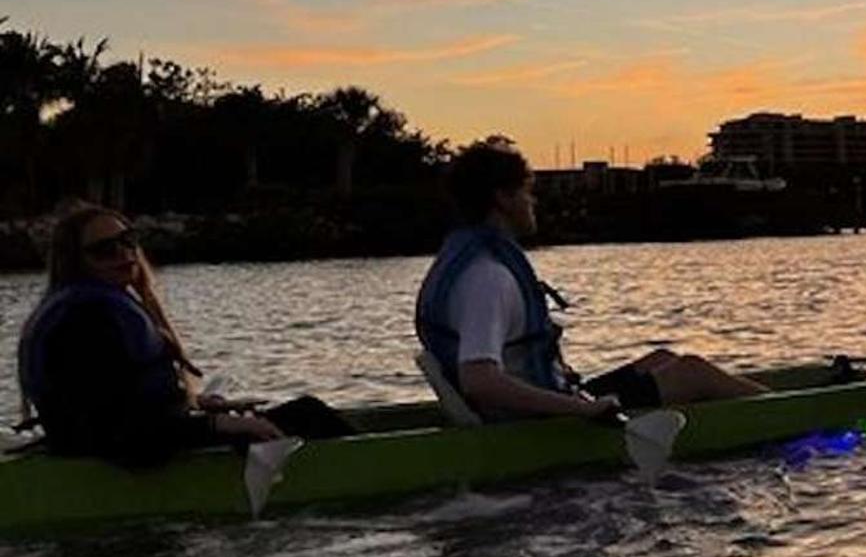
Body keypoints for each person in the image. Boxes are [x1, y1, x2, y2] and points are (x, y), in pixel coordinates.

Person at [414, 139, 766, 422]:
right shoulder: (488, 278)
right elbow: (480, 381)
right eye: (525, 192)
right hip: (533, 422)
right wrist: (582, 409)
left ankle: (756, 409)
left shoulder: (469, 263)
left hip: (542, 405)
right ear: (502, 198)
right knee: (692, 372)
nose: (532, 202)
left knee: (663, 358)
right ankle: (798, 416)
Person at [14, 204, 354, 465]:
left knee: (304, 413)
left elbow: (119, 400)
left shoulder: (84, 307)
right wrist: (217, 426)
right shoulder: (88, 320)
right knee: (309, 414)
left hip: (120, 444)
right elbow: (121, 433)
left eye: (127, 241)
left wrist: (198, 405)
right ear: (76, 262)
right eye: (104, 249)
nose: (124, 254)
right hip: (125, 457)